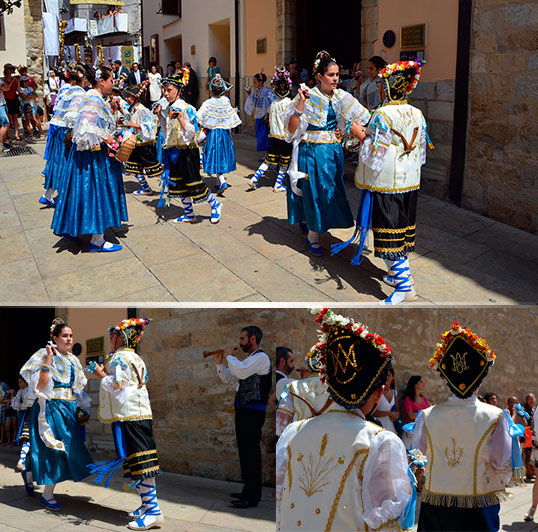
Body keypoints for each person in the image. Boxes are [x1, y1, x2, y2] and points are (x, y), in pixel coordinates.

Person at [276, 308, 415, 531]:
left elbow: (282, 503)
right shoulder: (381, 442)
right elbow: (388, 521)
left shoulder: (292, 434)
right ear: (378, 394)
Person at [342, 58, 434, 304]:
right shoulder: (417, 112)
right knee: (400, 233)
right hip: (409, 183)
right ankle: (398, 276)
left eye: (383, 84)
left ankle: (405, 288)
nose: (380, 88)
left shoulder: (382, 114)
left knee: (388, 236)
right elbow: (421, 153)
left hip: (387, 186)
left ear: (390, 87)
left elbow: (375, 157)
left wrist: (360, 135)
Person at [413, 321, 513, 532]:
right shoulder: (495, 416)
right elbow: (501, 461)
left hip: (436, 505)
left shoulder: (426, 416)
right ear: (479, 378)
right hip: (478, 506)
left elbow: (418, 455)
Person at [286, 50, 370, 256]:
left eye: (337, 75)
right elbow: (291, 129)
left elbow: (363, 117)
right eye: (331, 75)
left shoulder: (343, 96)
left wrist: (349, 129)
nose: (335, 79)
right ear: (319, 77)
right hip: (311, 152)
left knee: (329, 192)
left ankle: (312, 223)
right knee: (315, 191)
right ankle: (312, 236)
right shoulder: (307, 96)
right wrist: (300, 104)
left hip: (332, 153)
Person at [87, 318, 164, 531]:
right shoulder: (135, 357)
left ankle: (153, 512)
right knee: (137, 463)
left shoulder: (120, 357)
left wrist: (100, 373)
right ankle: (146, 506)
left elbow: (118, 385)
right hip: (138, 414)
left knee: (142, 464)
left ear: (121, 337)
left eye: (112, 335)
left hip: (132, 416)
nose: (110, 338)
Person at [51, 65, 128, 252]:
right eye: (111, 81)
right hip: (93, 155)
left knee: (81, 191)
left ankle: (74, 229)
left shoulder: (91, 95)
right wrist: (108, 138)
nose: (113, 84)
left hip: (85, 154)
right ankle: (97, 240)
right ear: (101, 81)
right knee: (98, 190)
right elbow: (86, 126)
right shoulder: (93, 98)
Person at [19, 318, 93, 510]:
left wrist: (82, 407)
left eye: (71, 336)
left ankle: (28, 473)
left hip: (68, 409)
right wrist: (48, 359)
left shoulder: (73, 360)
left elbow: (77, 388)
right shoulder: (44, 354)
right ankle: (47, 495)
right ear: (55, 338)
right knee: (54, 449)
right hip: (50, 407)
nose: (69, 340)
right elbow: (41, 386)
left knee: (70, 448)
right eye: (64, 336)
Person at [214, 325, 271, 508]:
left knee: (251, 453)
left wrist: (230, 355)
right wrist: (218, 363)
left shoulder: (261, 358)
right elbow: (230, 377)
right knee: (245, 452)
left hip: (253, 411)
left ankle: (252, 496)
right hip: (244, 410)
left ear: (253, 339)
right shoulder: (249, 361)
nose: (239, 343)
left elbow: (239, 370)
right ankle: (248, 490)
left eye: (242, 339)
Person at [156, 70, 222, 223]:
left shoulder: (187, 108)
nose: (166, 94)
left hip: (187, 152)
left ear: (179, 91)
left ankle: (216, 204)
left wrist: (180, 119)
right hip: (174, 151)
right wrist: (160, 116)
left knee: (194, 182)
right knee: (179, 183)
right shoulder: (169, 108)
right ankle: (189, 213)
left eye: (169, 90)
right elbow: (167, 130)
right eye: (164, 90)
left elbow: (193, 131)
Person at [41, 65, 91, 208]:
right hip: (67, 132)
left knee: (58, 162)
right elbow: (73, 116)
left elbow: (57, 109)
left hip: (58, 129)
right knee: (67, 164)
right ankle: (63, 198)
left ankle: (49, 194)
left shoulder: (66, 90)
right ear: (84, 78)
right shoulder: (80, 93)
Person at [248, 67, 293, 192]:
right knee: (284, 163)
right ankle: (278, 184)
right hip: (284, 138)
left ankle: (255, 178)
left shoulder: (273, 104)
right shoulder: (290, 103)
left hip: (273, 137)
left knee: (268, 160)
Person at [196, 73, 241, 196]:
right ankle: (218, 182)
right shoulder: (226, 101)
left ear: (211, 90)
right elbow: (232, 116)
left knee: (215, 156)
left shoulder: (208, 103)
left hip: (214, 133)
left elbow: (198, 117)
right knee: (221, 156)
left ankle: (221, 181)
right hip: (225, 133)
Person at [122, 82, 164, 196]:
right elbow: (130, 120)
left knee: (155, 168)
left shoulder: (142, 110)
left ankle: (173, 184)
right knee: (134, 167)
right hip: (137, 143)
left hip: (144, 144)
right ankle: (145, 188)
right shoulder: (133, 109)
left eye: (129, 97)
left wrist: (130, 124)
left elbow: (148, 125)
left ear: (136, 98)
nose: (127, 99)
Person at [245, 72, 276, 153]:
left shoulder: (267, 92)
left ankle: (268, 154)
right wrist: (249, 94)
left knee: (264, 136)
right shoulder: (256, 92)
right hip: (258, 116)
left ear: (260, 82)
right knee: (259, 135)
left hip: (264, 118)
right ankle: (265, 154)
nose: (253, 84)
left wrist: (268, 114)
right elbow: (253, 102)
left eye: (255, 82)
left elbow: (273, 102)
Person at [12, 375, 35, 470]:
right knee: (26, 436)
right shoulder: (21, 391)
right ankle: (23, 459)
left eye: (21, 382)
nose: (19, 384)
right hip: (26, 414)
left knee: (28, 436)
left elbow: (20, 403)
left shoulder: (29, 390)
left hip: (28, 413)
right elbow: (16, 403)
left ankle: (23, 459)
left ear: (26, 382)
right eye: (19, 382)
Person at [402, 375, 429, 449]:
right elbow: (410, 415)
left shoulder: (424, 399)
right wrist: (423, 414)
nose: (423, 383)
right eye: (421, 382)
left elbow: (429, 413)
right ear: (415, 385)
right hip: (411, 431)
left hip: (422, 431)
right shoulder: (408, 399)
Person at [374, 367, 400, 435]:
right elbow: (374, 413)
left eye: (388, 375)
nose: (386, 377)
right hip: (379, 428)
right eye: (384, 375)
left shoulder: (395, 393)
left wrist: (396, 416)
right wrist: (390, 413)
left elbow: (397, 410)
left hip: (392, 429)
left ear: (393, 377)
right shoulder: (377, 392)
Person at [2, 63, 21, 142]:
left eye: (12, 69)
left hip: (14, 99)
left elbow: (18, 90)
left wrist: (18, 81)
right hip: (6, 100)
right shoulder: (3, 80)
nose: (11, 70)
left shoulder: (15, 79)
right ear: (6, 70)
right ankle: (8, 136)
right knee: (9, 118)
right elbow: (7, 88)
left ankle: (16, 134)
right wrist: (12, 81)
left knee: (15, 118)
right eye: (9, 69)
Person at [522, 393, 536, 480]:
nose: (531, 400)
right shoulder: (525, 410)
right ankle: (529, 473)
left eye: (532, 398)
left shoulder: (534, 410)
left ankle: (533, 471)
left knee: (533, 454)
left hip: (534, 435)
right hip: (527, 434)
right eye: (529, 399)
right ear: (526, 401)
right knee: (528, 454)